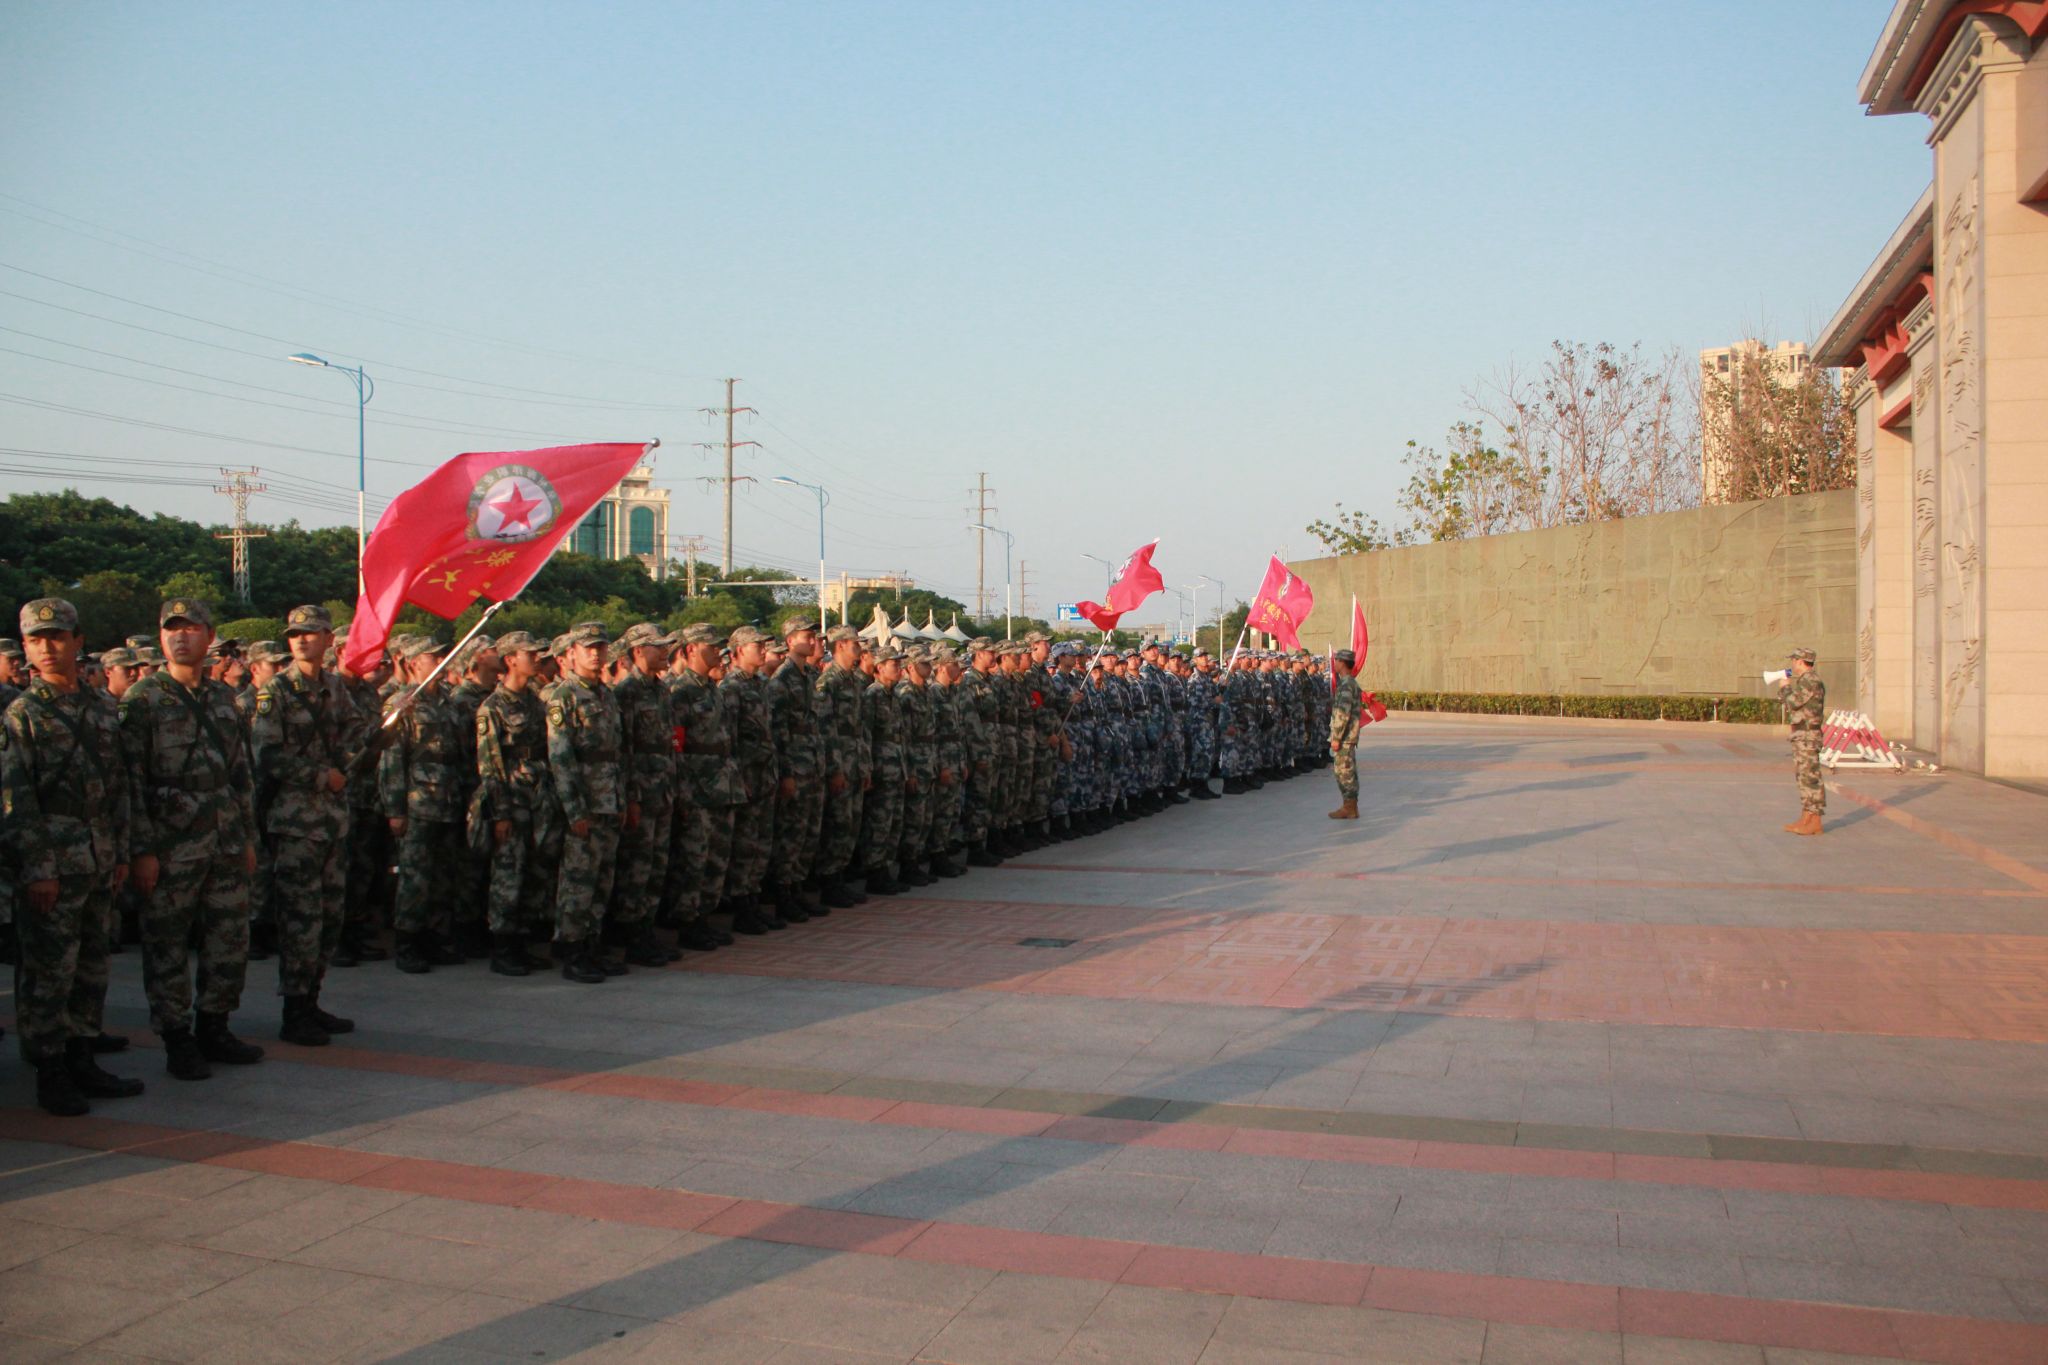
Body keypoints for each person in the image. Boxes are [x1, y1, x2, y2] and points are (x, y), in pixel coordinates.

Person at [2, 598, 145, 1115]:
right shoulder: (22, 714)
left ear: (77, 641)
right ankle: (50, 1068)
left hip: (99, 857)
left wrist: (121, 852)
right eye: (35, 640)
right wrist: (38, 868)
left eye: (57, 637)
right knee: (48, 971)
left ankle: (83, 1055)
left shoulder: (101, 707)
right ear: (25, 647)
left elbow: (118, 785)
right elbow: (15, 799)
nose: (46, 647)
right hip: (53, 866)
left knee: (90, 965)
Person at [119, 598, 266, 1078]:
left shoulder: (223, 698)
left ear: (210, 635)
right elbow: (131, 783)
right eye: (171, 629)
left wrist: (246, 837)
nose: (180, 637)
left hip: (224, 837)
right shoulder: (142, 700)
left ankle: (215, 1026)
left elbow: (240, 772)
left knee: (228, 938)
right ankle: (176, 1037)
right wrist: (142, 850)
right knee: (167, 943)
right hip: (171, 844)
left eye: (190, 628)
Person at [247, 604, 364, 1045]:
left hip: (331, 820)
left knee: (329, 917)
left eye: (310, 633)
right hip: (295, 822)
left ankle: (312, 1000)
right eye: (294, 634)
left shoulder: (334, 687)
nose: (300, 640)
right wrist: (319, 775)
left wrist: (386, 726)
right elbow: (266, 755)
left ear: (328, 640)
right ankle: (293, 1010)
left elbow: (356, 735)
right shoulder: (276, 691)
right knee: (300, 919)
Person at [473, 631, 560, 976]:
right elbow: (490, 765)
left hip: (538, 797)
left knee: (535, 872)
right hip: (511, 798)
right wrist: (500, 813)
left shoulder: (536, 702)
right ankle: (503, 946)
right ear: (510, 660)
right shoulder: (492, 707)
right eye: (530, 654)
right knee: (508, 873)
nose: (537, 659)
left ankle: (523, 941)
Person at [547, 621, 627, 982]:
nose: (596, 654)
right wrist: (574, 809)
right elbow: (561, 758)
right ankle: (572, 950)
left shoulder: (606, 694)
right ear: (572, 653)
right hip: (585, 803)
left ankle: (593, 946)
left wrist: (620, 798)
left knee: (602, 880)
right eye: (588, 648)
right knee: (578, 881)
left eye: (601, 647)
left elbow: (616, 753)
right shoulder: (563, 696)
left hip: (609, 799)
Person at [1779, 647, 1827, 835]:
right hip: (1803, 735)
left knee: (1810, 778)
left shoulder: (1810, 681)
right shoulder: (1806, 681)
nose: (1792, 664)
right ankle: (1806, 817)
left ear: (1800, 661)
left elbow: (1793, 702)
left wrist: (1785, 688)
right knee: (1803, 777)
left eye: (1794, 661)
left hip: (1808, 736)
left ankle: (1814, 820)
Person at [1327, 648, 1362, 820]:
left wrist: (1336, 737)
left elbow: (1343, 713)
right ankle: (1351, 806)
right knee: (1347, 771)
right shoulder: (1349, 682)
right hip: (1348, 737)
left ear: (1342, 662)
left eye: (1336, 660)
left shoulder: (1347, 684)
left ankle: (1349, 807)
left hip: (1345, 737)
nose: (1334, 663)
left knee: (1344, 772)